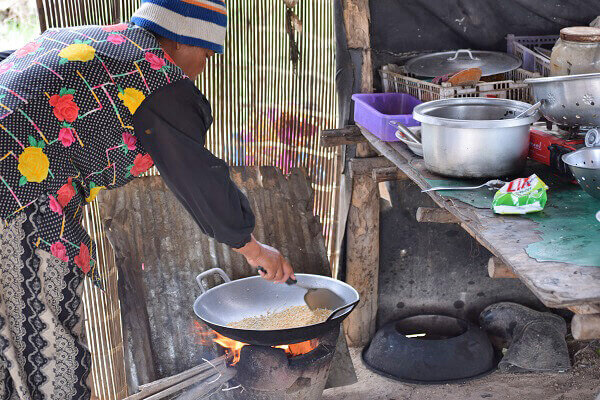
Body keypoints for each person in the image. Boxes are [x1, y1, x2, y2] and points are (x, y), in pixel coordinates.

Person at [0, 0, 295, 398]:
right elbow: (196, 175)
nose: (203, 68)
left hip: (16, 191)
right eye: (206, 54)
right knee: (43, 345)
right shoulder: (157, 77)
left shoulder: (88, 40)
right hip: (17, 203)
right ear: (178, 40)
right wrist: (251, 247)